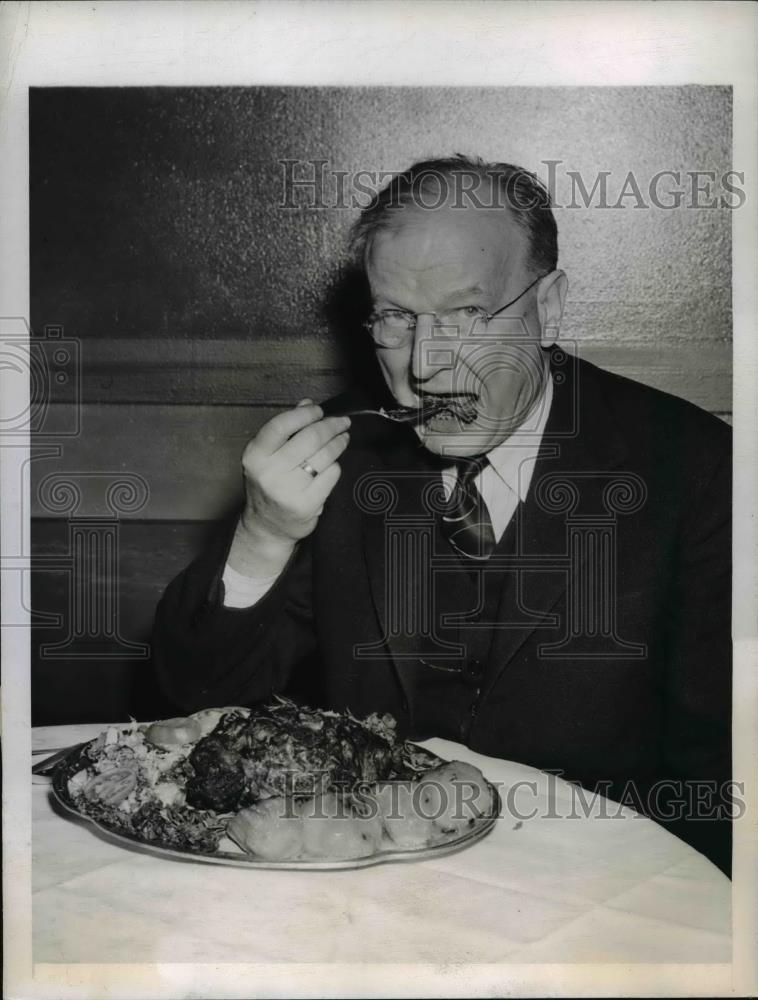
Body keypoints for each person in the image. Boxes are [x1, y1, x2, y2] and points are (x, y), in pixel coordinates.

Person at [153, 156, 732, 874]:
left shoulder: (697, 469)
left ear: (548, 308)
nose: (427, 365)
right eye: (397, 318)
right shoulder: (337, 458)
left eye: (467, 314)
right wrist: (263, 534)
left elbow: (721, 781)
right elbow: (196, 703)